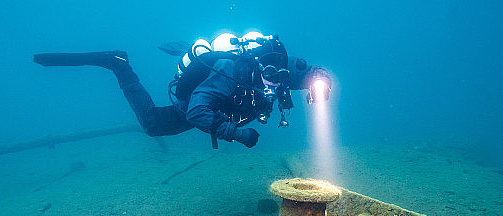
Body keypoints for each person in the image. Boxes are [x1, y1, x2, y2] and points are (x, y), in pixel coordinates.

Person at [33, 33, 331, 149]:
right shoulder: (232, 74)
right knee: (152, 125)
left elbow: (306, 72)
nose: (274, 84)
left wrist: (321, 82)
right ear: (256, 67)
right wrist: (236, 133)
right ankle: (119, 64)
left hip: (226, 106)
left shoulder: (277, 69)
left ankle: (179, 45)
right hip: (200, 101)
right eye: (267, 76)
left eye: (278, 78)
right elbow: (197, 110)